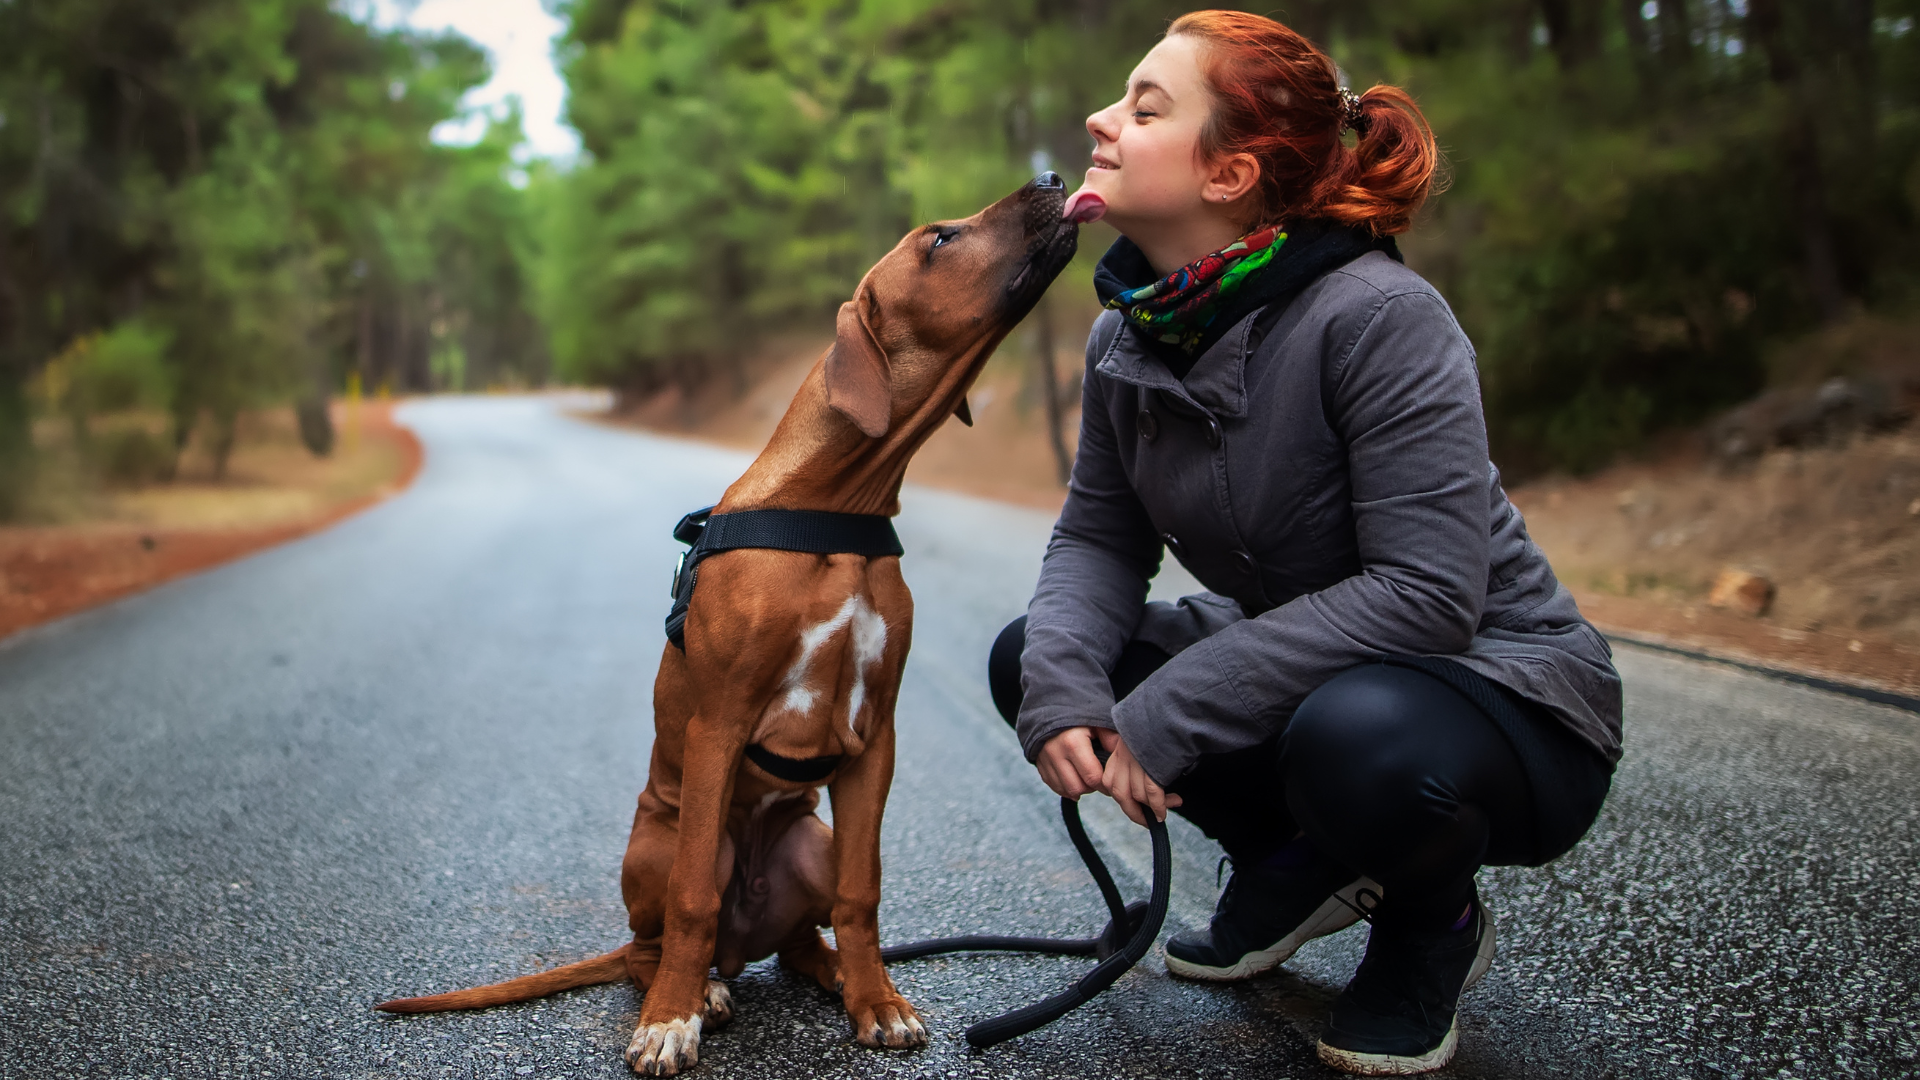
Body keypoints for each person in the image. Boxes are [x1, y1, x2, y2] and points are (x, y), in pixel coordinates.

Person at [987, 11, 1623, 1076]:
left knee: (1353, 736)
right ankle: (1290, 858)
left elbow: (1428, 596)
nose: (1101, 120)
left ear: (1229, 174)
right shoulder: (1129, 332)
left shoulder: (1379, 315)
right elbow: (1100, 537)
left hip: (1501, 696)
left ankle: (1433, 930)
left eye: (1145, 109)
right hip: (1318, 669)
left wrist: (1176, 705)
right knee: (1037, 656)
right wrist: (1063, 687)